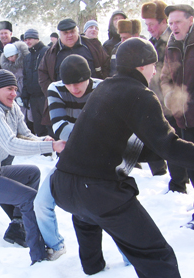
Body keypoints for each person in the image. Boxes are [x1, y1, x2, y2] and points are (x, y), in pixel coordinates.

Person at [51, 38, 186, 277]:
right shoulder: (140, 94)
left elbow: (118, 143)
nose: (155, 70)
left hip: (63, 185)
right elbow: (169, 147)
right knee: (156, 255)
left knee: (88, 217)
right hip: (97, 191)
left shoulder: (105, 87)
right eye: (154, 65)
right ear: (143, 65)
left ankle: (93, 268)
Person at [0, 69, 65, 265]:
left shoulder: (11, 107)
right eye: (9, 89)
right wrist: (50, 146)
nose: (14, 93)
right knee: (28, 198)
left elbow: (24, 134)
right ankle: (39, 255)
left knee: (31, 173)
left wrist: (44, 140)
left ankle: (19, 224)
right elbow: (11, 144)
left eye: (15, 89)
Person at [35, 54, 130, 265]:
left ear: (89, 77)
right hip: (71, 158)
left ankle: (130, 257)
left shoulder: (104, 88)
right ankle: (56, 245)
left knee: (113, 210)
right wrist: (94, 134)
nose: (74, 89)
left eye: (78, 83)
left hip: (103, 160)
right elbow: (60, 128)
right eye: (68, 84)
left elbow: (114, 128)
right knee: (41, 203)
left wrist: (86, 136)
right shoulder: (55, 89)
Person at [161, 4, 194, 226]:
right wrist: (171, 98)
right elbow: (164, 78)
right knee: (192, 167)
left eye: (178, 22)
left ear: (191, 20)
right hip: (185, 118)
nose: (173, 27)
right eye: (171, 23)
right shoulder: (171, 45)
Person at [142, 1, 181, 180]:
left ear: (163, 22)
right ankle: (177, 182)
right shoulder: (152, 43)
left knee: (179, 144)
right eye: (146, 24)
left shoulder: (174, 41)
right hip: (159, 101)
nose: (148, 28)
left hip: (176, 102)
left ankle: (179, 183)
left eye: (151, 24)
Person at [22, 29, 50, 138]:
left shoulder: (46, 51)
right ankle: (44, 153)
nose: (28, 41)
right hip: (33, 97)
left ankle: (55, 149)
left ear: (37, 39)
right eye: (26, 39)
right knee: (38, 126)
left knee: (49, 124)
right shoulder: (28, 57)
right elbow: (26, 77)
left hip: (45, 95)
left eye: (30, 39)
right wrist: (25, 95)